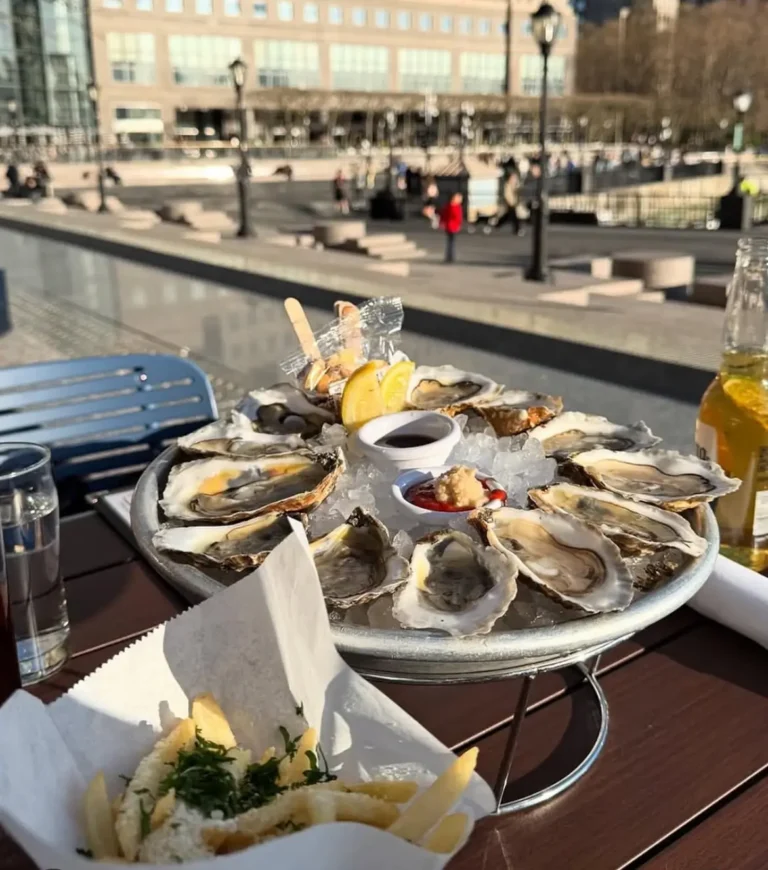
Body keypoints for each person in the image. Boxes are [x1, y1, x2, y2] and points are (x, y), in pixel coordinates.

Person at [494, 162, 523, 236]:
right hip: (509, 201)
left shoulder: (512, 185)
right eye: (513, 177)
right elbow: (508, 196)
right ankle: (517, 229)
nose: (515, 179)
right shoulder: (507, 187)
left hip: (511, 201)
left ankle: (498, 224)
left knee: (509, 214)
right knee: (513, 213)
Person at [439, 192, 463, 264]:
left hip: (449, 225)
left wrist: (442, 222)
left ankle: (449, 257)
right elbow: (458, 217)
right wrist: (459, 225)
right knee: (451, 242)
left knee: (450, 242)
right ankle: (451, 257)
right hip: (453, 226)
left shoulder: (448, 206)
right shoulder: (456, 207)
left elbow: (443, 215)